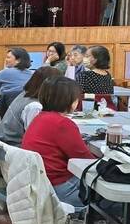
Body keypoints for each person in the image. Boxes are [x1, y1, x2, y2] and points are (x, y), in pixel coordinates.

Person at [21, 77, 93, 211]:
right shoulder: (63, 124)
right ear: (70, 100)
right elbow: (85, 160)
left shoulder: (40, 117)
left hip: (39, 184)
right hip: (59, 188)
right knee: (112, 195)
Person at [0, 66, 63, 145]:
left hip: (5, 142)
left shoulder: (24, 94)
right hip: (14, 147)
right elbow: (35, 137)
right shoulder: (35, 106)